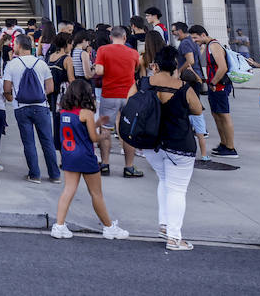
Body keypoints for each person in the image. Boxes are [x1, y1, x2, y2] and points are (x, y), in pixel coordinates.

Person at [130, 46, 202, 250]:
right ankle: (174, 237)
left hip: (151, 144)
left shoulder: (143, 83)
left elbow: (129, 104)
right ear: (175, 66)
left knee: (164, 180)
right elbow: (197, 110)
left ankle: (164, 225)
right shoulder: (183, 87)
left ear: (156, 65)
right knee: (177, 190)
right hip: (179, 144)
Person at [51, 78, 128, 240]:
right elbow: (93, 137)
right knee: (96, 193)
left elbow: (78, 128)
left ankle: (59, 225)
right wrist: (103, 135)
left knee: (68, 190)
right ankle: (108, 227)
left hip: (69, 154)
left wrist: (97, 123)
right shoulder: (86, 112)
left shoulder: (64, 111)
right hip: (85, 156)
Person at [4, 33, 59, 184]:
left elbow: (7, 88)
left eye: (14, 44)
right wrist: (38, 94)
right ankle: (55, 175)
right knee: (47, 141)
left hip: (21, 107)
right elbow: (50, 87)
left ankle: (34, 174)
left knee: (29, 142)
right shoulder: (41, 63)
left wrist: (13, 98)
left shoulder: (12, 65)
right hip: (41, 107)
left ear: (19, 46)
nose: (13, 47)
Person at [92, 25, 144, 177]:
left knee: (106, 130)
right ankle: (129, 167)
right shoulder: (133, 52)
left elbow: (100, 71)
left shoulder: (103, 50)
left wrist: (97, 67)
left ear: (110, 37)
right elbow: (135, 69)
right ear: (125, 37)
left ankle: (105, 164)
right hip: (129, 95)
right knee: (127, 131)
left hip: (109, 94)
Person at [190, 25, 238, 156]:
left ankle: (230, 147)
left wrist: (212, 82)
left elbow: (222, 67)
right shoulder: (208, 46)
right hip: (215, 86)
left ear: (203, 35)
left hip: (219, 85)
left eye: (195, 37)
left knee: (224, 115)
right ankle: (224, 143)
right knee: (217, 115)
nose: (194, 40)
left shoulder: (214, 45)